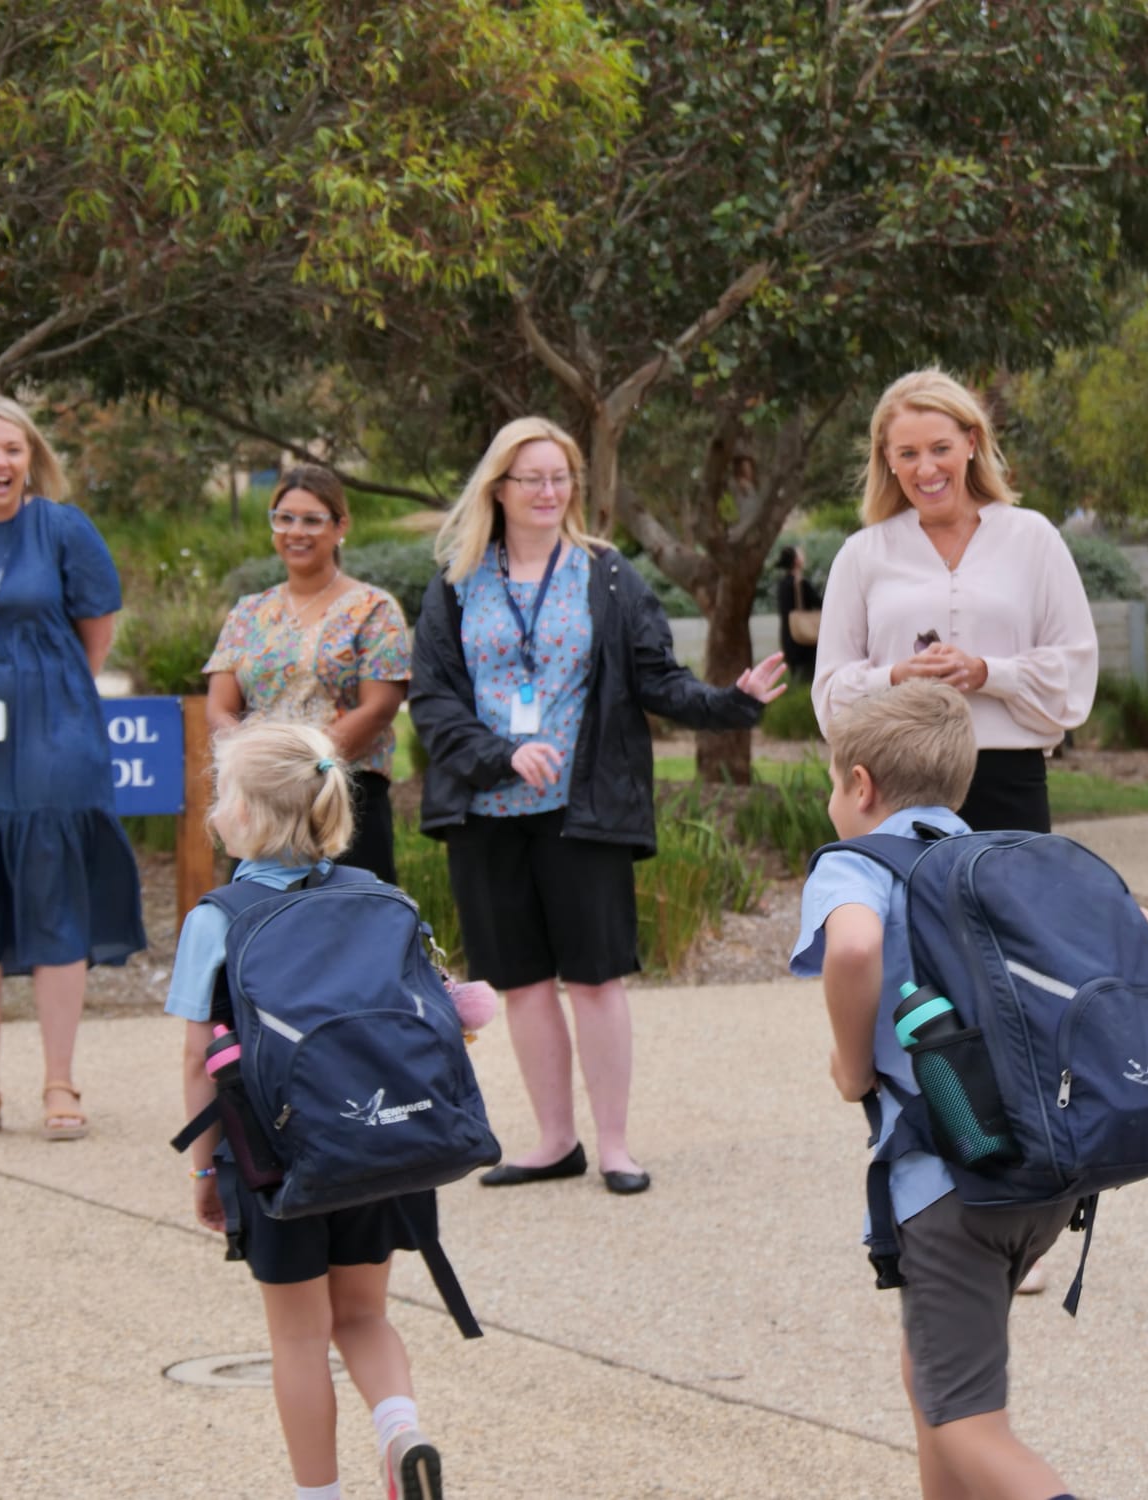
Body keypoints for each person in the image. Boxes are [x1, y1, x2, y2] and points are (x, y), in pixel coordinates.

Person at [792, 681, 1148, 1500]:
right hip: (1044, 1181)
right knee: (933, 1375)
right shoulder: (1009, 861)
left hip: (952, 1179)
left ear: (860, 784)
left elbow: (857, 946)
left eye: (836, 784)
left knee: (967, 1421)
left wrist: (849, 1064)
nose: (836, 801)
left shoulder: (855, 864)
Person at [409, 416, 787, 1194]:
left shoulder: (606, 575)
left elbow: (657, 678)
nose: (549, 492)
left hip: (584, 810)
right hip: (487, 813)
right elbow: (433, 701)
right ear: (499, 488)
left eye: (561, 478)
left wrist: (730, 703)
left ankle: (614, 1145)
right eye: (532, 478)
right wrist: (500, 754)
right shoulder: (455, 581)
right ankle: (553, 1142)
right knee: (521, 982)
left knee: (595, 979)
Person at [171, 720, 446, 1500]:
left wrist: (204, 1170)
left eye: (223, 794)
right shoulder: (385, 898)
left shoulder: (217, 918)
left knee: (298, 1335)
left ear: (250, 817)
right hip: (386, 1139)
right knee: (364, 1315)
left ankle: (317, 1494)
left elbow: (198, 1059)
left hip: (275, 1158)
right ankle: (402, 1430)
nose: (215, 808)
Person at [0, 395, 145, 1143]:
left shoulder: (63, 528)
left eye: (12, 449)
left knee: (54, 901)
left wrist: (46, 698)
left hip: (53, 739)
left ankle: (60, 1082)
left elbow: (94, 639)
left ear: (32, 457)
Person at [813, 369, 1097, 836]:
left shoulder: (1034, 539)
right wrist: (896, 677)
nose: (926, 469)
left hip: (1010, 788)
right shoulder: (861, 555)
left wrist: (986, 672)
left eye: (939, 448)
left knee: (1009, 912)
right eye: (908, 453)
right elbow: (829, 698)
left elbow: (1074, 676)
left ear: (971, 441)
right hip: (895, 791)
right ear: (887, 458)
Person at [206, 465, 411, 881]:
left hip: (342, 802)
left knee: (350, 936)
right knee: (261, 932)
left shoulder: (373, 609)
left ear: (340, 527)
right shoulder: (248, 612)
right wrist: (258, 774)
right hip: (259, 808)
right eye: (284, 518)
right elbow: (220, 707)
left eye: (312, 520)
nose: (296, 531)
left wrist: (301, 772)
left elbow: (379, 708)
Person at [773, 544, 823, 680]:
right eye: (801, 554)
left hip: (788, 637)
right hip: (804, 638)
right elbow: (821, 603)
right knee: (807, 677)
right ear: (796, 561)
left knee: (796, 676)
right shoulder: (801, 584)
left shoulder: (782, 584)